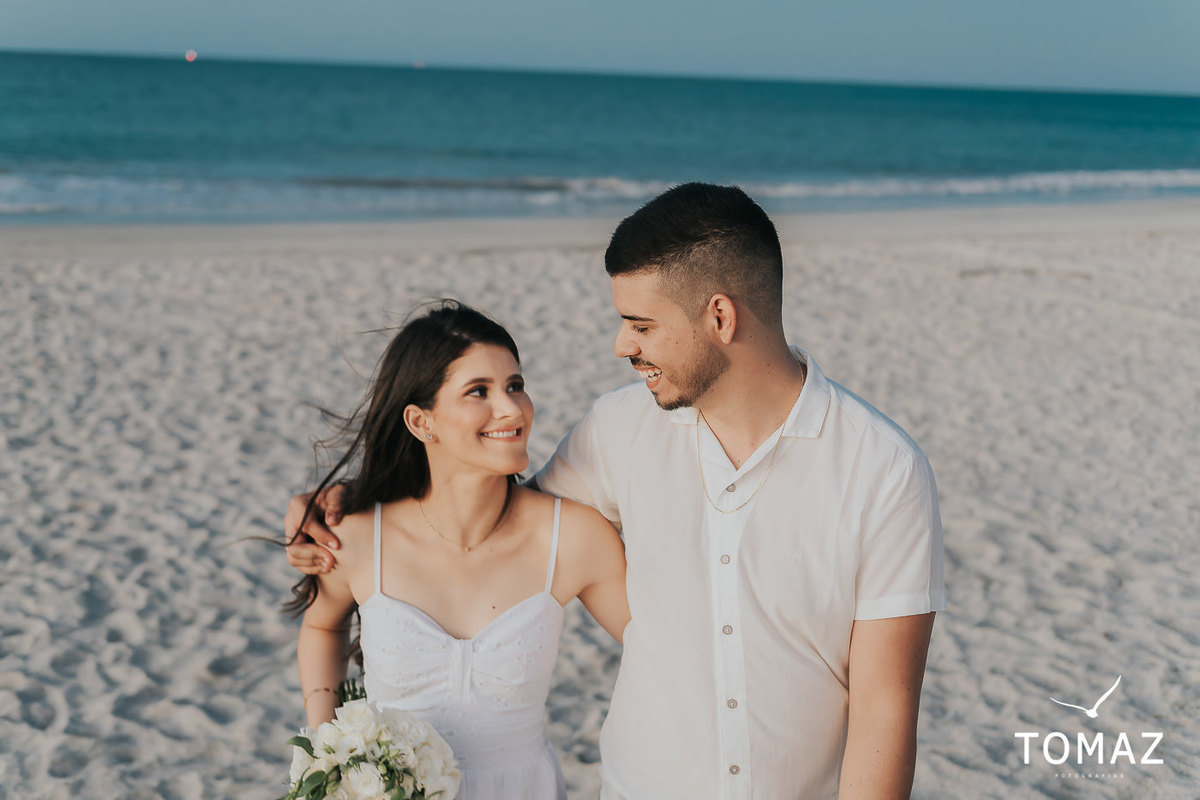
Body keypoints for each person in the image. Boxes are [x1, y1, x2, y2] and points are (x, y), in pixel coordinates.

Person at [287, 184, 946, 799]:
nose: (620, 344)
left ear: (719, 316)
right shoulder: (617, 429)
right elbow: (492, 517)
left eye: (641, 324)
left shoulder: (882, 469)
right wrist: (350, 505)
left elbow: (885, 706)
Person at [289, 301, 629, 800]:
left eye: (516, 385)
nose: (513, 408)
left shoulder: (572, 537)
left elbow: (656, 648)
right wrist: (327, 746)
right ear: (421, 421)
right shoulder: (357, 537)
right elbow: (322, 624)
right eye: (479, 392)